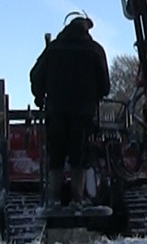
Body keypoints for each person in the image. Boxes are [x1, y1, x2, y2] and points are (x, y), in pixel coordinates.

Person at [30, 12, 111, 211]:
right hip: (83, 114)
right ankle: (77, 198)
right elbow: (105, 86)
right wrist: (94, 96)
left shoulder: (53, 49)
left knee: (56, 155)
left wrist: (39, 96)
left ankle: (54, 198)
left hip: (56, 111)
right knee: (79, 156)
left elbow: (36, 75)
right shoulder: (95, 50)